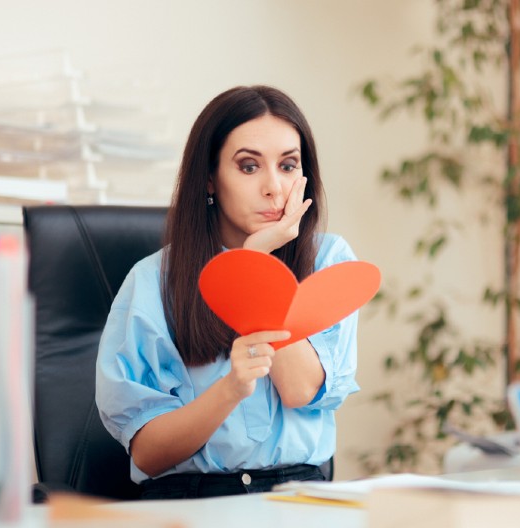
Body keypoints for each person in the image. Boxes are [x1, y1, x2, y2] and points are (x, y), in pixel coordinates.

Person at [95, 85, 360, 500]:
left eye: (288, 165)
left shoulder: (327, 259)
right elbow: (148, 454)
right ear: (209, 179)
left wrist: (254, 264)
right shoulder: (153, 281)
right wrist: (231, 388)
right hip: (195, 498)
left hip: (299, 496)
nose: (274, 187)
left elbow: (300, 389)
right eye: (249, 167)